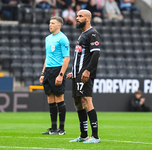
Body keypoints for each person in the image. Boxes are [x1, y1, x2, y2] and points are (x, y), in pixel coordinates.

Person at [67, 9, 101, 143]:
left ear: (88, 19)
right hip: (77, 74)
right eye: (77, 16)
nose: (77, 18)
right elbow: (79, 56)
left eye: (80, 16)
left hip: (84, 75)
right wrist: (73, 72)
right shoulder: (82, 35)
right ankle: (83, 135)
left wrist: (87, 71)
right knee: (77, 103)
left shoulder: (92, 34)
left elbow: (96, 54)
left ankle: (96, 136)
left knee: (87, 102)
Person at [39, 16, 70, 135]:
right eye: (49, 23)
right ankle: (53, 128)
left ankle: (61, 129)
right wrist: (43, 73)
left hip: (58, 70)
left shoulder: (63, 39)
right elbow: (47, 57)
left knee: (59, 99)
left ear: (59, 25)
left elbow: (66, 58)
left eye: (52, 23)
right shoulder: (48, 38)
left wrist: (61, 75)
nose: (50, 25)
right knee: (50, 99)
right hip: (48, 71)